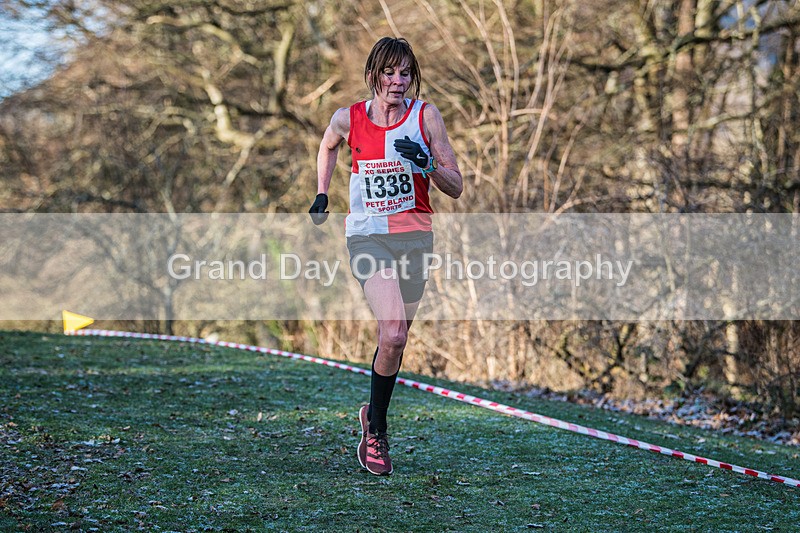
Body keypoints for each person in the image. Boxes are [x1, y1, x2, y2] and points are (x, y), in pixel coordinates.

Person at [309, 37, 463, 476]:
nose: (398, 81)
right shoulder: (349, 118)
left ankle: (371, 416)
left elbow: (456, 185)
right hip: (368, 237)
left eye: (405, 73)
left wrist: (427, 164)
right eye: (389, 73)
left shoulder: (425, 116)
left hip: (415, 239)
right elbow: (328, 145)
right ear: (374, 75)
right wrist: (322, 193)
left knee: (397, 338)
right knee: (392, 334)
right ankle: (377, 432)